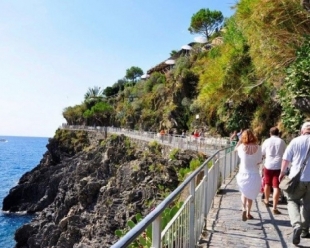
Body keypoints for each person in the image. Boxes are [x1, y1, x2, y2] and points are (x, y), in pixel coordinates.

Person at [279, 122, 310, 245]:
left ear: (302, 130)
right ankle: (304, 231)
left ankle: (296, 225)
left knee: (292, 201)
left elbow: (286, 159)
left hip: (296, 178)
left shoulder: (295, 141)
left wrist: (282, 173)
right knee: (308, 205)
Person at [236, 129, 262, 221]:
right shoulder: (258, 148)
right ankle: (248, 213)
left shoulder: (241, 147)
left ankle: (243, 208)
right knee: (250, 195)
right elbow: (259, 161)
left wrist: (240, 141)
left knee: (244, 193)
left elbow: (235, 149)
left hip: (243, 174)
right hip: (254, 174)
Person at [261, 127, 286, 214]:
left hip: (268, 165)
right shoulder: (282, 142)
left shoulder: (266, 141)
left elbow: (262, 153)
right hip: (278, 166)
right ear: (278, 133)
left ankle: (267, 200)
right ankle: (275, 207)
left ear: (270, 133)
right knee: (276, 186)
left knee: (267, 183)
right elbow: (285, 154)